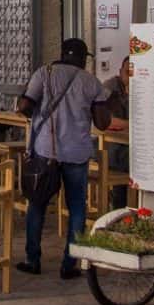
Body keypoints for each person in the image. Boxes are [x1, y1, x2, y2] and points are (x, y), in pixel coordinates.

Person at [16, 37, 111, 280]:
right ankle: (70, 264)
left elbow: (25, 105)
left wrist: (40, 116)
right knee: (77, 206)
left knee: (37, 203)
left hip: (45, 150)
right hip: (76, 153)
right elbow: (103, 123)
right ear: (82, 58)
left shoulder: (43, 74)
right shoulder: (91, 83)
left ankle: (32, 259)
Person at [102, 56, 131, 210]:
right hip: (105, 144)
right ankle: (119, 208)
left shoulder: (143, 88)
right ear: (120, 71)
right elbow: (107, 120)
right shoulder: (110, 87)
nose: (131, 75)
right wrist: (134, 124)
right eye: (128, 71)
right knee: (123, 160)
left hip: (128, 142)